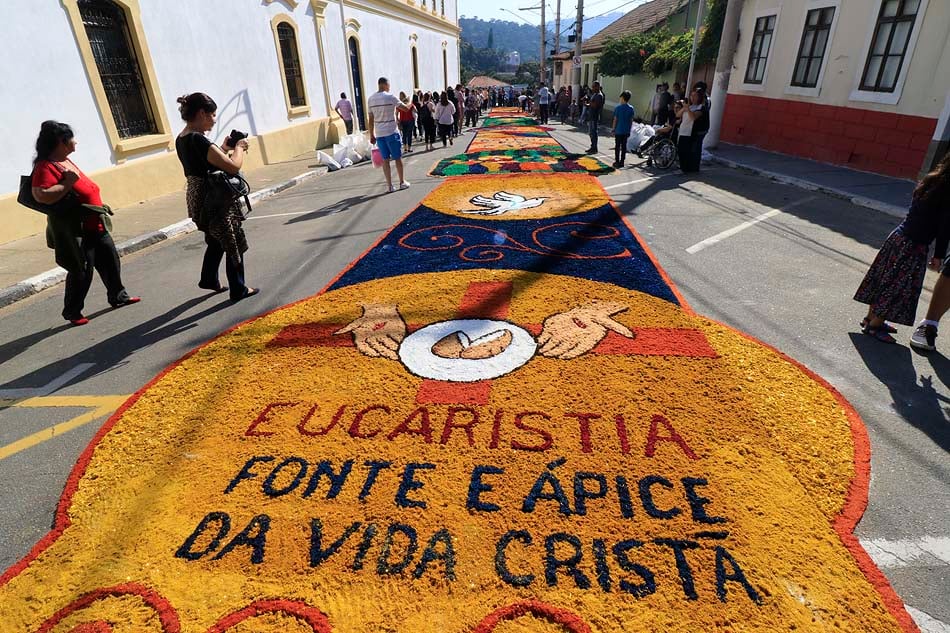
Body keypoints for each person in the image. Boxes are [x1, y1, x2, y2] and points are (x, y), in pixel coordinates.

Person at [30, 121, 140, 325]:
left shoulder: (64, 161)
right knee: (81, 270)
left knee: (110, 261)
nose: (75, 142)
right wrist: (67, 182)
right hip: (76, 230)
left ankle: (118, 296)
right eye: (71, 139)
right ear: (61, 143)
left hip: (95, 224)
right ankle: (72, 311)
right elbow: (41, 195)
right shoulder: (45, 167)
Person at [856, 154, 950, 344]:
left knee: (884, 278)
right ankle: (875, 326)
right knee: (898, 286)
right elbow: (944, 228)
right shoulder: (949, 191)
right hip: (913, 246)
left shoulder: (932, 179)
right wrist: (939, 255)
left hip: (898, 237)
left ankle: (870, 318)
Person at [175, 93, 257, 302]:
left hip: (197, 197)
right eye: (212, 114)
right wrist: (238, 148)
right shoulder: (199, 139)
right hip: (215, 199)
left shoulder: (182, 138)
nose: (214, 119)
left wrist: (223, 149)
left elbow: (206, 163)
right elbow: (232, 166)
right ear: (201, 113)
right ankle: (238, 288)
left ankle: (209, 278)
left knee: (215, 238)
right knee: (232, 240)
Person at [368, 77, 411, 192]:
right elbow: (406, 109)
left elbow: (370, 119)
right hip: (392, 132)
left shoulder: (371, 99)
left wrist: (371, 134)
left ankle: (390, 186)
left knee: (385, 160)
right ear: (386, 85)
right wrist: (411, 101)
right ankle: (402, 182)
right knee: (397, 158)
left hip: (379, 134)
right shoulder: (390, 97)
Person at [674, 87, 709, 173]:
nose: (692, 98)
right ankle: (686, 167)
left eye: (695, 96)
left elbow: (693, 117)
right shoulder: (690, 106)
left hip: (692, 132)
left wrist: (687, 109)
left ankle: (686, 169)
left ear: (700, 97)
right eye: (691, 95)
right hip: (683, 130)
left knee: (688, 151)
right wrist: (684, 108)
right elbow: (678, 115)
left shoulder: (701, 107)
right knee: (681, 150)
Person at [611, 91, 635, 168]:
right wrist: (629, 129)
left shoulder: (618, 108)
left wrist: (613, 129)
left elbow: (615, 120)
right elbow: (631, 121)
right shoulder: (631, 108)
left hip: (618, 130)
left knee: (617, 146)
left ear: (622, 98)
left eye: (621, 98)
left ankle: (617, 161)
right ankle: (622, 161)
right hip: (626, 131)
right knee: (624, 147)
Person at [585, 81, 604, 154]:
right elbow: (591, 103)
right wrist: (587, 104)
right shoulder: (595, 94)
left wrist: (589, 103)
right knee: (591, 132)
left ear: (597, 87)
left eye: (593, 87)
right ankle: (592, 146)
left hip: (594, 116)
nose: (592, 88)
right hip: (591, 116)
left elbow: (595, 105)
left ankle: (594, 148)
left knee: (593, 133)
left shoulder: (599, 95)